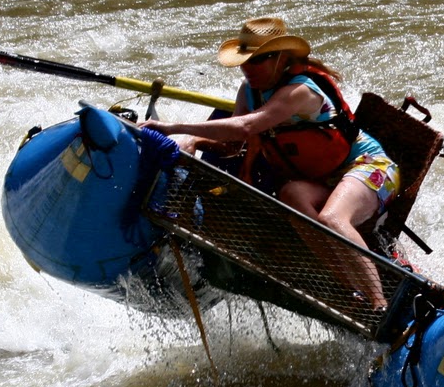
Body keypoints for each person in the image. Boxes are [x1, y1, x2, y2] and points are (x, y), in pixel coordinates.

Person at [142, 17, 399, 305]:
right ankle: (349, 288)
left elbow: (246, 127)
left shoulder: (300, 90)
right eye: (244, 60)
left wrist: (175, 128)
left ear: (281, 59)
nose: (248, 68)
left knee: (331, 218)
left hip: (369, 167)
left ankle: (378, 304)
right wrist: (195, 142)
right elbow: (233, 145)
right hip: (323, 179)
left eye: (259, 60)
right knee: (291, 195)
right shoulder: (248, 91)